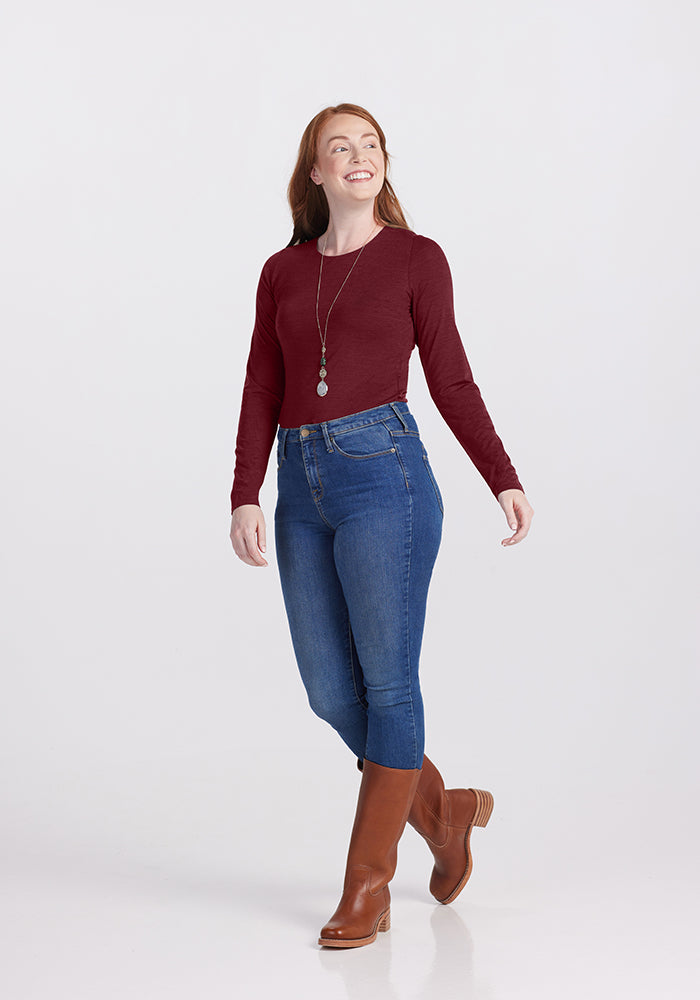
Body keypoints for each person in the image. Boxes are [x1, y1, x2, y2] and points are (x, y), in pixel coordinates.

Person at [229, 102, 534, 949]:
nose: (357, 158)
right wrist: (245, 489)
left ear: (383, 166)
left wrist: (501, 477)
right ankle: (445, 813)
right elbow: (260, 383)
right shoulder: (282, 272)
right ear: (316, 173)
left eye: (369, 146)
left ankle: (368, 887)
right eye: (340, 148)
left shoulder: (417, 259)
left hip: (385, 479)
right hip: (301, 481)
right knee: (332, 691)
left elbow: (452, 381)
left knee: (391, 685)